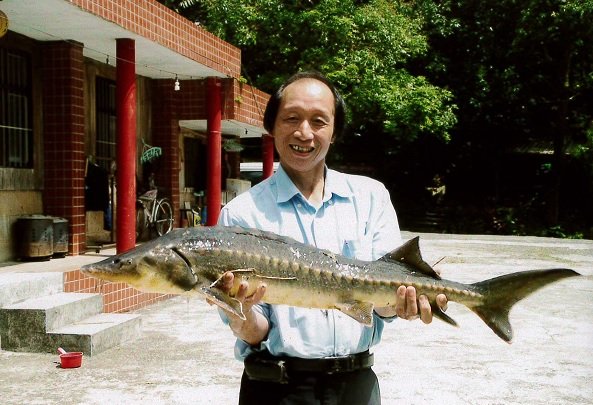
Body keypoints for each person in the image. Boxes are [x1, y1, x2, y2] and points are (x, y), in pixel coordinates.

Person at [213, 71, 448, 404]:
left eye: (319, 121)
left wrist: (403, 304)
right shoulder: (240, 216)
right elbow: (256, 332)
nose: (304, 132)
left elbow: (381, 307)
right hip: (275, 390)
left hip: (356, 388)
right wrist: (242, 313)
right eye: (291, 118)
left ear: (335, 131)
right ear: (272, 126)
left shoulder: (370, 197)